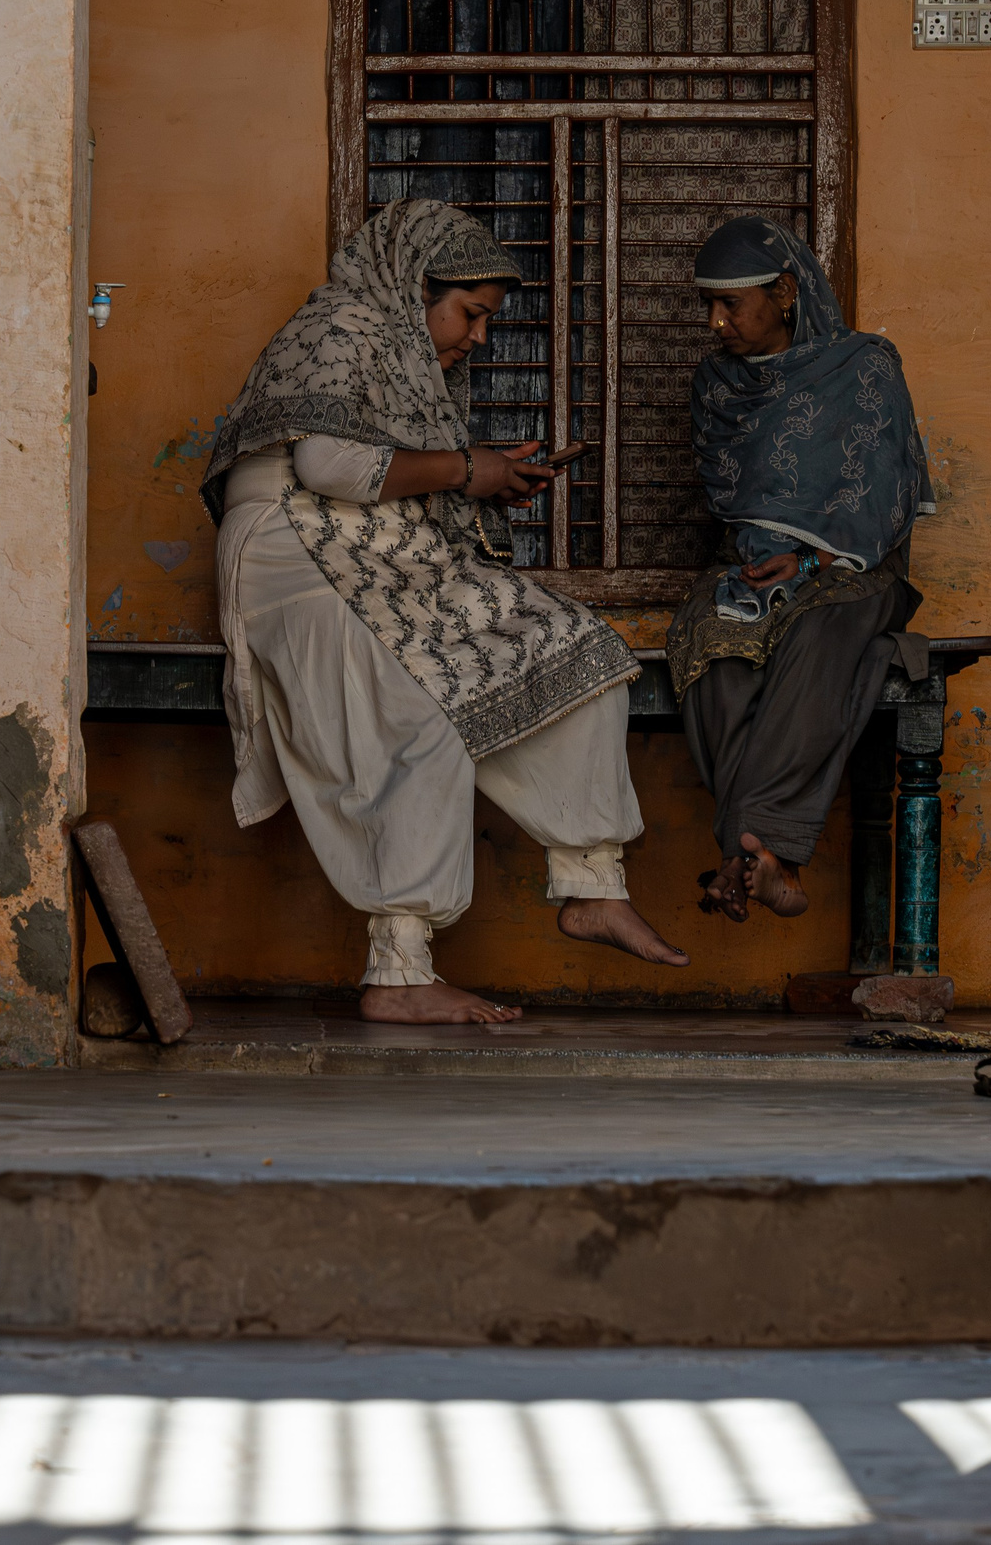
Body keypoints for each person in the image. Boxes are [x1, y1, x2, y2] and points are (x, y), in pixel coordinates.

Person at [201, 198, 689, 1024]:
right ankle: (399, 971)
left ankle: (591, 880)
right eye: (470, 313)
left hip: (377, 550)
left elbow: (406, 475)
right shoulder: (344, 324)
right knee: (427, 704)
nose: (479, 337)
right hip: (291, 548)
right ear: (411, 284)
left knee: (581, 653)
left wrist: (485, 476)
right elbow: (325, 462)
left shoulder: (406, 358)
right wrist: (470, 471)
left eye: (489, 320)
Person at [669, 216, 935, 922]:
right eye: (708, 305)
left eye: (730, 304)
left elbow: (885, 494)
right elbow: (727, 491)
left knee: (821, 633)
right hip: (753, 569)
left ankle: (752, 849)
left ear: (785, 291)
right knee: (711, 644)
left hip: (849, 568)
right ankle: (766, 855)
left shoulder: (866, 367)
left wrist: (812, 556)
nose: (714, 323)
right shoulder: (715, 383)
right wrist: (763, 559)